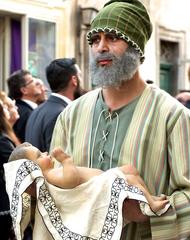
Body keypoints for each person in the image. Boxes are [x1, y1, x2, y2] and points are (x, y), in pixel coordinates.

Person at [50, 0, 190, 239]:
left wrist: (145, 212)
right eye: (95, 40)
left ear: (136, 47)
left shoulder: (173, 116)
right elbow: (54, 184)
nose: (100, 47)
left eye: (112, 38)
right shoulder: (70, 115)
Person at [8, 142, 169, 216]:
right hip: (101, 185)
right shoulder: (50, 175)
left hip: (103, 179)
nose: (44, 153)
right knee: (130, 177)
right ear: (32, 170)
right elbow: (71, 180)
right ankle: (152, 203)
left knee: (130, 171)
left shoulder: (52, 173)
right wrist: (66, 160)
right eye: (39, 156)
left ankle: (150, 197)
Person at [25, 58, 82, 152]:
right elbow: (56, 157)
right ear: (74, 80)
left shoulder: (38, 110)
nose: (81, 79)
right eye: (80, 75)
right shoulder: (62, 113)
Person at [0, 98, 18, 239]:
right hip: (3, 205)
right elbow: (18, 166)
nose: (8, 110)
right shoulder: (2, 141)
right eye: (5, 108)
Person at [7, 69, 41, 143]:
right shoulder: (24, 113)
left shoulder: (26, 110)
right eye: (32, 81)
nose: (37, 82)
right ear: (24, 90)